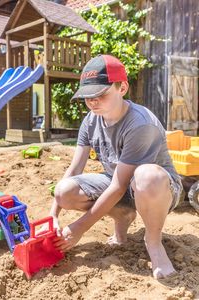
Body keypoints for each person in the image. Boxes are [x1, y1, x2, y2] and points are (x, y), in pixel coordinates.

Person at [49, 54, 183, 279]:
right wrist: (52, 214)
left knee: (146, 175)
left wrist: (80, 227)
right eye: (87, 96)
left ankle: (153, 242)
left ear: (122, 88)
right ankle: (123, 216)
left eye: (100, 94)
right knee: (64, 192)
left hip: (158, 190)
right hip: (119, 185)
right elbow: (74, 171)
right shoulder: (91, 120)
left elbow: (120, 185)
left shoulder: (140, 124)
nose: (92, 102)